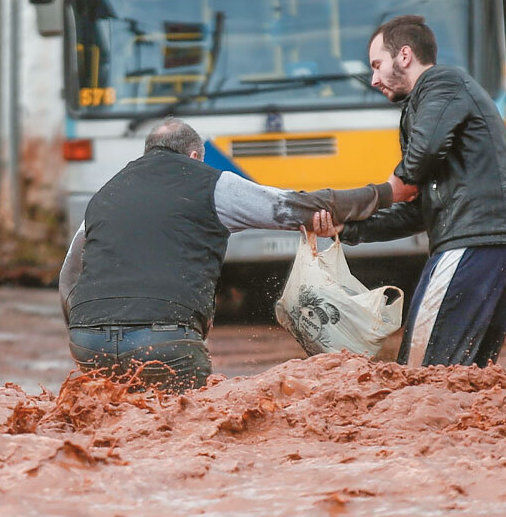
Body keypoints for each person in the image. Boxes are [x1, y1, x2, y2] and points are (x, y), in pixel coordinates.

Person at [57, 118, 396, 393]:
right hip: (164, 343)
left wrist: (88, 328)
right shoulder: (209, 183)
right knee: (187, 435)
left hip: (88, 343)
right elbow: (295, 207)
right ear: (194, 157)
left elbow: (69, 277)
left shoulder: (104, 195)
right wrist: (386, 193)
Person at [311, 15, 506, 368]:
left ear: (404, 55)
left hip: (473, 240)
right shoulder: (435, 104)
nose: (373, 79)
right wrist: (349, 229)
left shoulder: (441, 83)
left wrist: (385, 189)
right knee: (468, 376)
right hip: (499, 244)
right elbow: (419, 209)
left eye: (376, 64)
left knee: (422, 373)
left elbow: (419, 161)